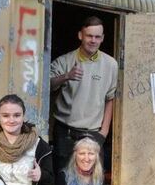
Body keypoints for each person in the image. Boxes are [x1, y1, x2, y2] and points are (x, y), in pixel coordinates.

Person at [50, 16, 118, 173]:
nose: (93, 40)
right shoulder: (65, 60)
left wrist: (104, 132)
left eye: (97, 37)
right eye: (89, 36)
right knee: (62, 178)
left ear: (102, 38)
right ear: (80, 35)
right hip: (64, 131)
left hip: (93, 132)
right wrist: (66, 76)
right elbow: (46, 86)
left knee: (91, 181)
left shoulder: (111, 64)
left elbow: (111, 98)